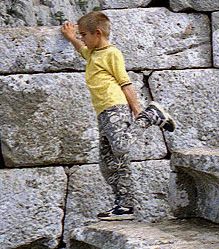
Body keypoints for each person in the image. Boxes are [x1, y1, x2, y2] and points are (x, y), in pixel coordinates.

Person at [61, 12, 174, 220]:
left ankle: (150, 116)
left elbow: (125, 82)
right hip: (103, 112)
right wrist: (71, 38)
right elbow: (82, 50)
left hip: (115, 107)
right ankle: (125, 206)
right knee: (110, 163)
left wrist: (137, 110)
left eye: (84, 34)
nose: (82, 38)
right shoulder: (94, 52)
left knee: (121, 146)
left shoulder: (112, 54)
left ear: (98, 33)